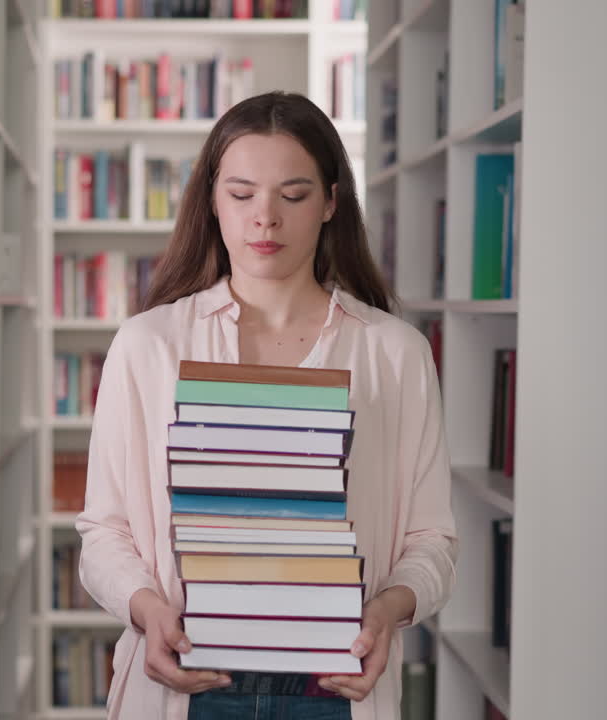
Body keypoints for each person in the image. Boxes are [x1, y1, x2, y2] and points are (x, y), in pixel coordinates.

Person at [75, 91, 458, 720]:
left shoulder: (395, 353)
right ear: (213, 202)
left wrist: (387, 611)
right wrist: (146, 607)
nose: (266, 219)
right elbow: (103, 532)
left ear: (332, 202)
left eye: (295, 194)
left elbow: (432, 539)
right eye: (242, 193)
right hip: (188, 683)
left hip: (333, 691)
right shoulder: (148, 345)